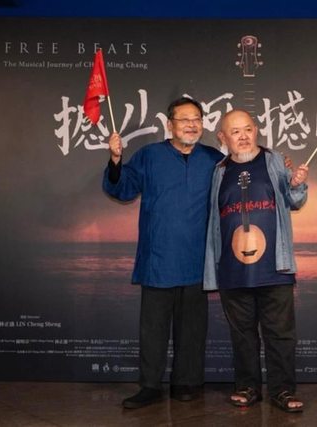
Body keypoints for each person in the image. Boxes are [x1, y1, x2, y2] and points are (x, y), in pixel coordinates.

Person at [103, 97, 224, 409]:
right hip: (158, 258)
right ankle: (150, 386)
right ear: (169, 125)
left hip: (198, 260)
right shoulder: (150, 155)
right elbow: (123, 188)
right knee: (153, 330)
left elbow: (237, 190)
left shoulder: (214, 159)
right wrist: (116, 160)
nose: (191, 125)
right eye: (184, 119)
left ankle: (186, 382)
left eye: (196, 119)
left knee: (192, 329)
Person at [203, 109, 308, 413]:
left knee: (280, 334)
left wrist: (297, 184)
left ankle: (283, 390)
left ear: (256, 130)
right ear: (223, 137)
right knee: (242, 335)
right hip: (232, 270)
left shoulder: (274, 161)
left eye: (248, 129)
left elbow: (295, 200)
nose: (243, 136)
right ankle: (247, 387)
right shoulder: (219, 171)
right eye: (235, 131)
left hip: (275, 268)